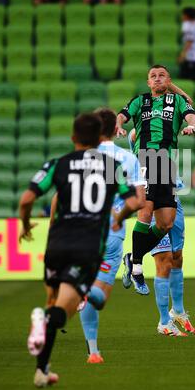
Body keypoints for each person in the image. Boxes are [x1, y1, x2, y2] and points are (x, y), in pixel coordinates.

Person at [19, 113, 141, 387]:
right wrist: (119, 219)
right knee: (90, 298)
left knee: (56, 304)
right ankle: (80, 296)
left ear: (73, 137)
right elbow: (134, 201)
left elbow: (28, 199)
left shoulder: (58, 164)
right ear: (100, 136)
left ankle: (42, 370)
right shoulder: (110, 166)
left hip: (57, 242)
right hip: (89, 245)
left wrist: (26, 225)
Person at [50, 109, 145, 364]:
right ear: (117, 129)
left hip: (78, 232)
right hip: (111, 233)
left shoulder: (78, 159)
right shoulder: (127, 158)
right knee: (100, 294)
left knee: (85, 287)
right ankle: (90, 296)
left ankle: (93, 351)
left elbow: (58, 198)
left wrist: (53, 228)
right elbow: (139, 201)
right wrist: (120, 215)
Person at [116, 65, 195, 294]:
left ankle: (133, 257)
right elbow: (121, 116)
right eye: (152, 76)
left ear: (169, 80)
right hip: (143, 161)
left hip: (166, 164)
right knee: (145, 211)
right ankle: (138, 268)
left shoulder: (177, 102)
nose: (157, 79)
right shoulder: (139, 103)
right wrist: (118, 125)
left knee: (166, 223)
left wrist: (192, 125)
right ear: (147, 82)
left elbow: (190, 109)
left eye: (162, 75)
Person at [123, 129, 195, 337]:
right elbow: (131, 135)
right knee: (164, 261)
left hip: (172, 197)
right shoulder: (139, 137)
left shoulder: (168, 133)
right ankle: (164, 321)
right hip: (152, 200)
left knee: (177, 257)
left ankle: (179, 310)